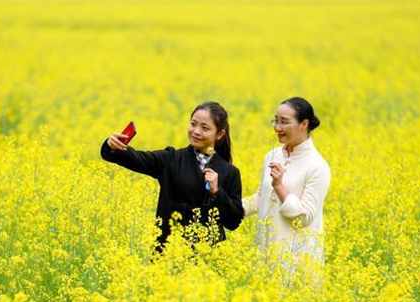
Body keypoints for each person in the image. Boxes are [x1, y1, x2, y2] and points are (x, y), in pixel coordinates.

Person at [101, 102, 245, 256]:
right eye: (193, 124)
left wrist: (217, 192)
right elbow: (137, 158)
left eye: (205, 128)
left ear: (219, 134)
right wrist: (113, 146)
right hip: (168, 252)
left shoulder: (230, 173)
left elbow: (233, 221)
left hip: (208, 257)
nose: (196, 131)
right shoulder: (171, 159)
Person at [242, 97, 331, 269]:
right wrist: (225, 207)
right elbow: (261, 199)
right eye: (276, 121)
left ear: (304, 124)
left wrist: (279, 186)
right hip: (264, 254)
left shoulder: (318, 166)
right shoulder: (272, 156)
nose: (277, 127)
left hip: (296, 261)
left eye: (284, 122)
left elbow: (305, 217)